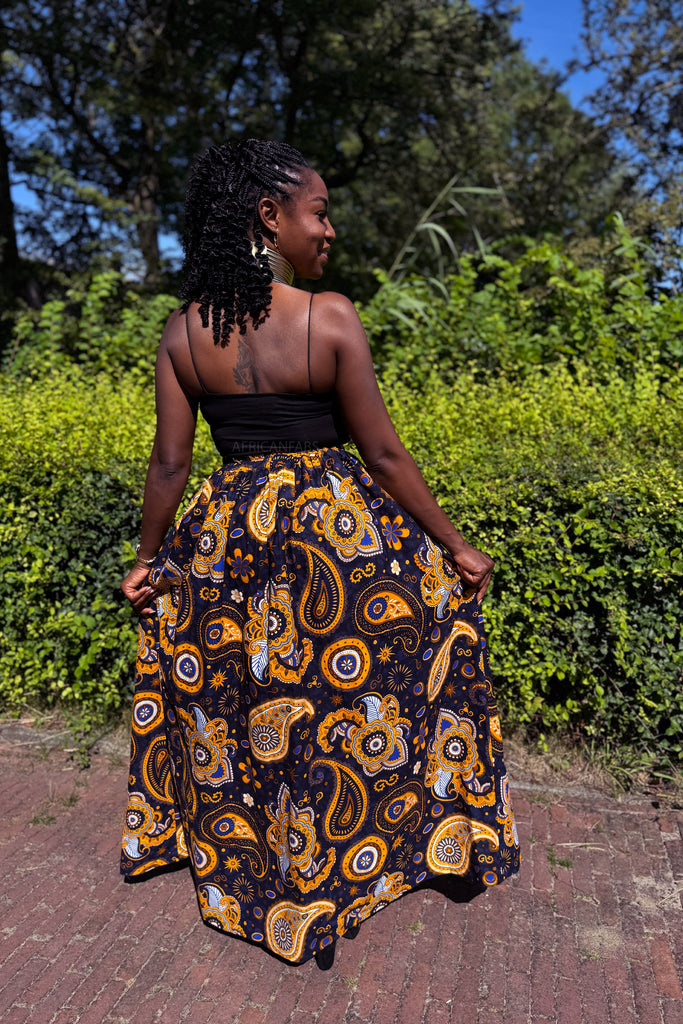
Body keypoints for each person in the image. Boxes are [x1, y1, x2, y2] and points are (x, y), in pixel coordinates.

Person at [120, 139, 519, 970]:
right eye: (319, 212)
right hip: (331, 538)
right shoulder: (328, 316)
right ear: (270, 218)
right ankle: (386, 843)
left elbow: (169, 464)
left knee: (245, 699)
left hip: (227, 538)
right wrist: (455, 546)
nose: (329, 230)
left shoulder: (181, 332)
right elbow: (384, 456)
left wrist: (149, 558)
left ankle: (261, 855)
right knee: (358, 689)